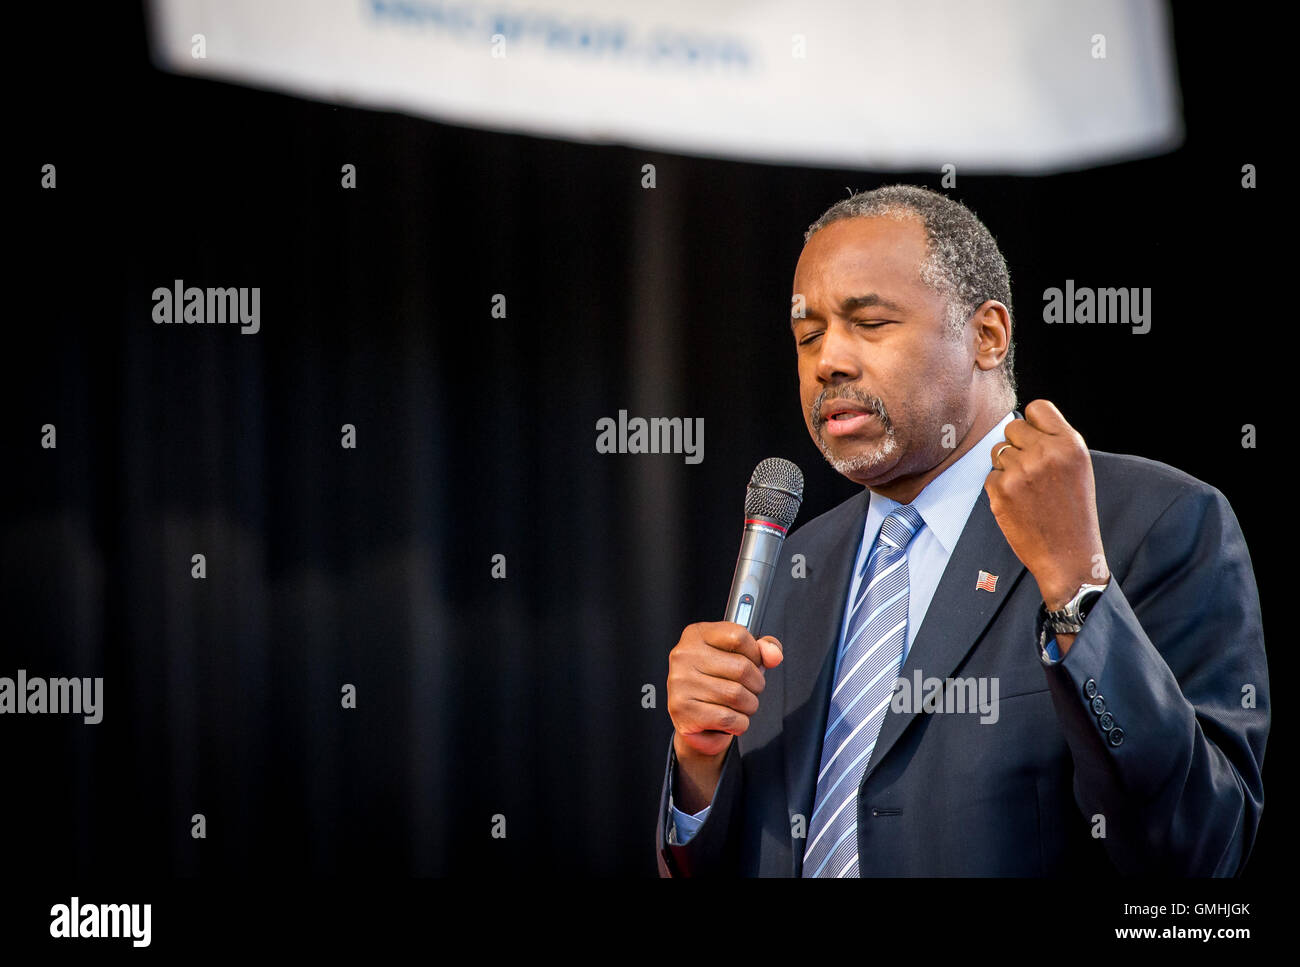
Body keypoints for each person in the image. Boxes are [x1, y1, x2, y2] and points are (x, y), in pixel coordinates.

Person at [656, 185, 1268, 877]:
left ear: (987, 335)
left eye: (870, 322)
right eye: (808, 334)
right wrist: (700, 769)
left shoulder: (1152, 520)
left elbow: (1199, 850)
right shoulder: (796, 566)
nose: (828, 360)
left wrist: (1078, 591)